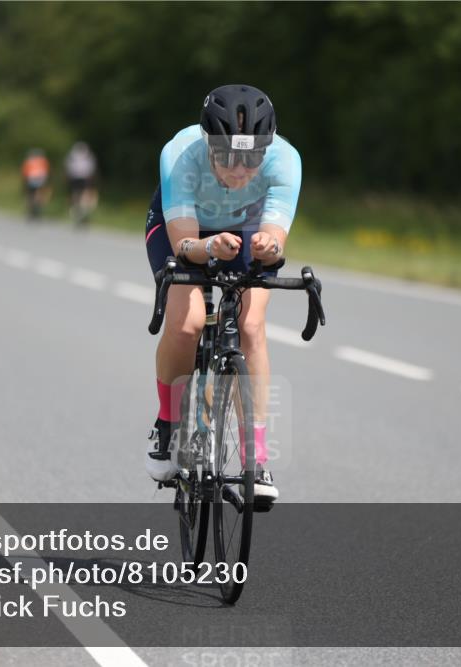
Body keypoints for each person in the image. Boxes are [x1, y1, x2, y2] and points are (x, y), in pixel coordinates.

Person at [143, 84, 301, 505]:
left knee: (251, 325)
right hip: (184, 230)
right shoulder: (180, 155)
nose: (238, 170)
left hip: (246, 230)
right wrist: (209, 248)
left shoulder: (286, 161)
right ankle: (167, 423)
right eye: (227, 155)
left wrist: (270, 247)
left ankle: (257, 457)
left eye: (251, 158)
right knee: (188, 321)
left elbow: (274, 239)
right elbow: (185, 246)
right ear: (207, 141)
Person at [64, 141, 97, 225]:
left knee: (76, 195)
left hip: (75, 178)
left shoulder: (72, 156)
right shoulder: (88, 156)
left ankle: (77, 211)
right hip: (83, 178)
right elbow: (91, 168)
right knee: (82, 195)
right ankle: (81, 211)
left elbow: (68, 168)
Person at [21, 149, 50, 219]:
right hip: (40, 179)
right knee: (38, 194)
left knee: (30, 195)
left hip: (30, 179)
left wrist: (24, 180)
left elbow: (24, 171)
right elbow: (46, 170)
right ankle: (37, 208)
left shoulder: (29, 160)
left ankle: (31, 210)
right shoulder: (43, 160)